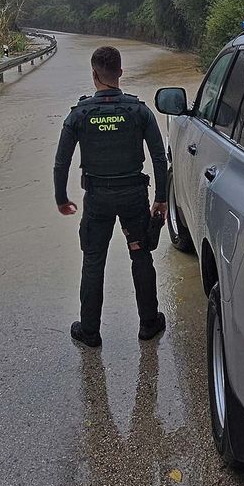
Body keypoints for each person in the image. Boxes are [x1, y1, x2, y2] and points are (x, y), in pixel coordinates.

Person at [54, 46, 169, 347]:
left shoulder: (79, 114)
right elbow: (159, 158)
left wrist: (61, 197)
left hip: (97, 200)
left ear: (94, 74)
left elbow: (61, 161)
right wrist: (161, 197)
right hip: (133, 197)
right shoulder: (139, 111)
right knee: (140, 256)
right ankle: (149, 324)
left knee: (93, 261)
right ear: (120, 71)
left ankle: (89, 331)